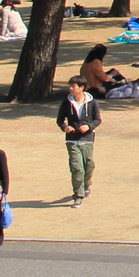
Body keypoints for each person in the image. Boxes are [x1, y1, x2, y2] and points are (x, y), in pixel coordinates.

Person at [56, 76, 100, 207]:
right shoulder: (66, 103)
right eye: (69, 86)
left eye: (73, 86)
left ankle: (86, 184)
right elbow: (60, 120)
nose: (70, 88)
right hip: (72, 140)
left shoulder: (92, 103)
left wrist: (89, 126)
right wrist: (65, 127)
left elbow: (97, 119)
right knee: (77, 168)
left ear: (81, 88)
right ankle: (78, 195)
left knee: (88, 166)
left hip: (87, 139)